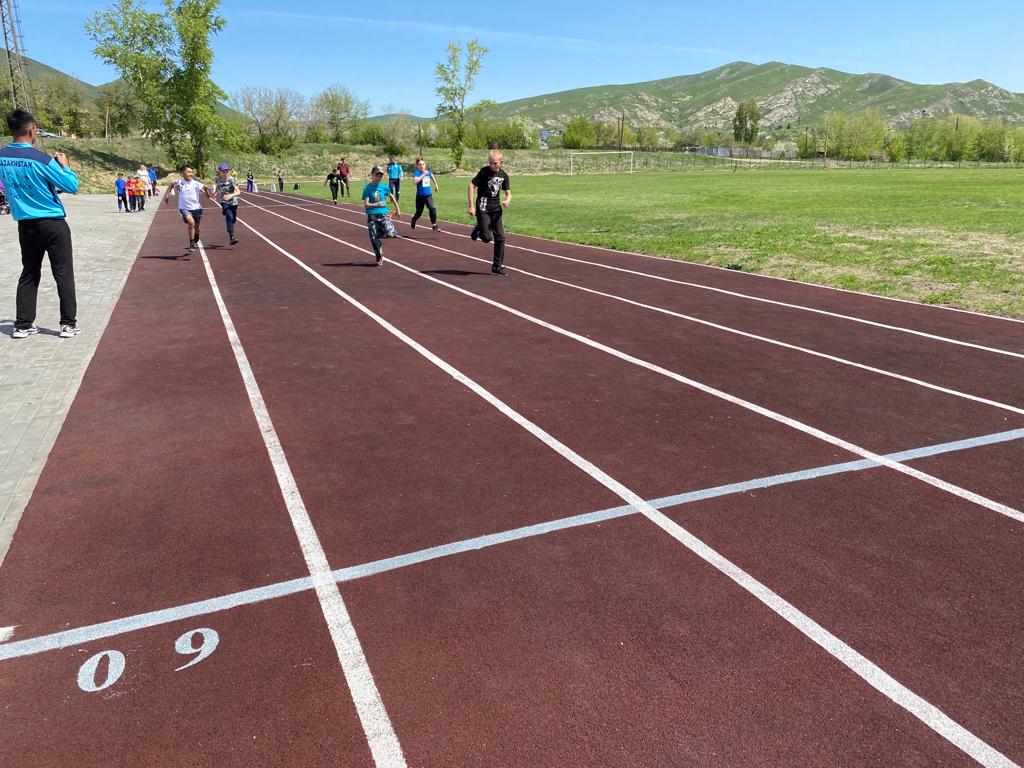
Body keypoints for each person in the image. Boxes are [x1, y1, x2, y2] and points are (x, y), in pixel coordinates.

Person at [0, 108, 81, 338]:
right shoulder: (41, 159)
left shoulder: (2, 156)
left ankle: (23, 324)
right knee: (63, 273)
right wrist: (65, 165)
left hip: (26, 224)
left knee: (29, 272)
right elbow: (72, 186)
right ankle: (68, 324)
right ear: (32, 129)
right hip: (52, 223)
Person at [468, 148, 512, 276]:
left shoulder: (504, 175)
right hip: (483, 208)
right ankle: (479, 228)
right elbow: (471, 186)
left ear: (501, 162)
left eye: (495, 163)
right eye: (490, 162)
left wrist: (507, 200)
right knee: (487, 238)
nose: (492, 165)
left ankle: (496, 267)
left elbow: (508, 193)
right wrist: (471, 206)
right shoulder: (484, 172)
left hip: (496, 209)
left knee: (501, 238)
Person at [164, 164, 213, 252]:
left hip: (197, 208)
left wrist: (206, 190)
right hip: (184, 208)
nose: (191, 174)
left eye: (192, 172)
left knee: (196, 227)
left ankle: (197, 234)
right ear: (182, 173)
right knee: (191, 223)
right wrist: (167, 195)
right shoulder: (179, 182)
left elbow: (208, 197)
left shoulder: (196, 183)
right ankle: (191, 243)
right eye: (188, 172)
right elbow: (171, 185)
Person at [362, 165, 400, 266]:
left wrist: (397, 209)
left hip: (383, 214)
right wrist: (377, 204)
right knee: (374, 239)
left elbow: (391, 196)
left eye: (380, 175)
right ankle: (379, 256)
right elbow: (366, 204)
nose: (379, 177)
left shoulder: (384, 186)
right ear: (372, 175)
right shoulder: (367, 188)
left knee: (391, 233)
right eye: (377, 175)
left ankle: (382, 232)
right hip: (372, 216)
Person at [213, 162, 241, 245]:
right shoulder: (217, 178)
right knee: (229, 216)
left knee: (233, 219)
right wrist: (215, 193)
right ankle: (231, 237)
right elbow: (218, 186)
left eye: (227, 171)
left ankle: (226, 212)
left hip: (233, 202)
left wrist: (230, 195)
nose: (225, 173)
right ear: (219, 172)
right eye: (223, 172)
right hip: (224, 201)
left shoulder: (232, 180)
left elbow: (238, 192)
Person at [409, 157, 440, 232]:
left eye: (423, 164)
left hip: (428, 195)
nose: (422, 166)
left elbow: (431, 176)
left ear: (425, 165)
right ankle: (414, 219)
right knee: (419, 213)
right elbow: (415, 182)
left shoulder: (428, 172)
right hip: (419, 197)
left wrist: (436, 184)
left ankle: (434, 225)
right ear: (417, 166)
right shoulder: (417, 173)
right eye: (420, 165)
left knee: (432, 208)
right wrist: (423, 175)